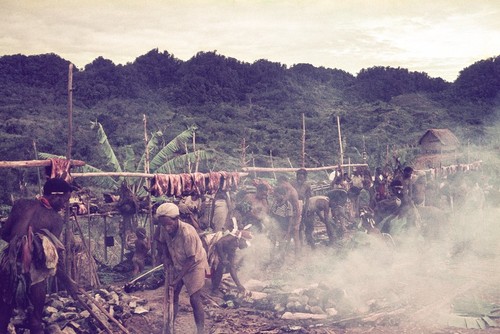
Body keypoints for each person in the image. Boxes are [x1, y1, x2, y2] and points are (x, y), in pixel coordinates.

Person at [0, 178, 79, 334]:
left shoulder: (21, 204)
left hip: (7, 265)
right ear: (56, 196)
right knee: (36, 318)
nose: (65, 204)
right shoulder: (55, 219)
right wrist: (68, 283)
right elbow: (51, 258)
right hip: (33, 273)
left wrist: (20, 246)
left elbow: (4, 233)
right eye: (65, 200)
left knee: (3, 315)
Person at [155, 203, 208, 334]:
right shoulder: (164, 228)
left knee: (194, 298)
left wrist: (178, 278)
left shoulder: (188, 233)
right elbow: (162, 243)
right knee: (173, 296)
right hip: (177, 262)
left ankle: (201, 331)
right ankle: (169, 327)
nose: (167, 228)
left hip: (194, 264)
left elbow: (191, 259)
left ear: (177, 218)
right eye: (164, 225)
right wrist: (165, 257)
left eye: (169, 224)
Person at [274, 176, 302, 255]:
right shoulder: (289, 190)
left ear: (283, 182)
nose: (280, 186)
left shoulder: (292, 192)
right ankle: (285, 254)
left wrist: (296, 220)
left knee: (295, 236)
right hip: (290, 215)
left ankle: (297, 257)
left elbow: (297, 208)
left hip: (295, 215)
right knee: (288, 235)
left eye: (280, 184)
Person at [291, 169, 312, 248]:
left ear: (305, 177)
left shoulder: (307, 185)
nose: (300, 177)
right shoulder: (292, 183)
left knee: (301, 225)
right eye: (299, 175)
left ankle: (301, 243)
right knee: (292, 224)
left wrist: (306, 210)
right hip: (292, 205)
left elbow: (308, 198)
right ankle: (295, 242)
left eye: (302, 176)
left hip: (301, 205)